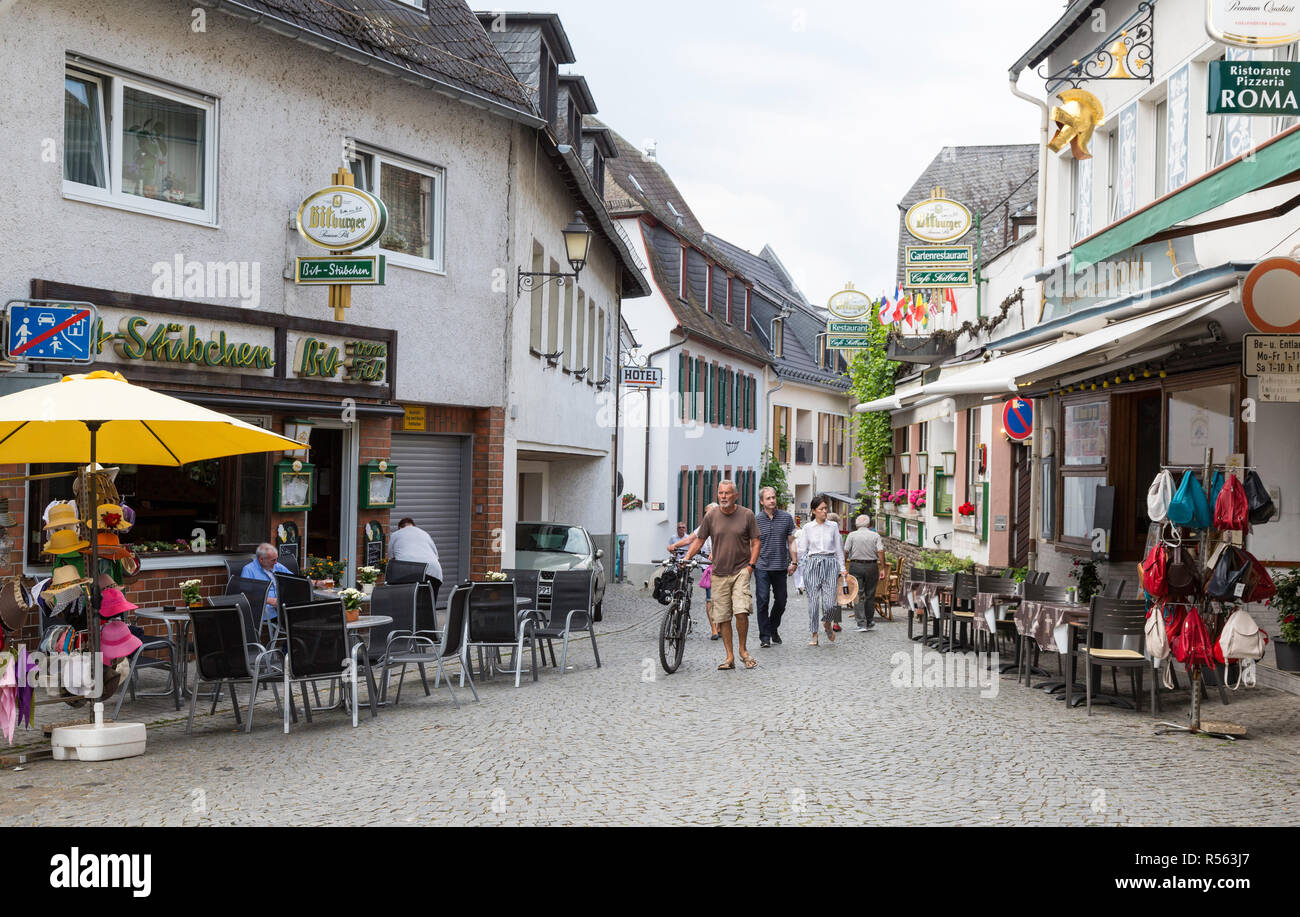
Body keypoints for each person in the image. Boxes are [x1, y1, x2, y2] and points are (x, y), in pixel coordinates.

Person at [683, 482, 759, 670]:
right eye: (720, 493)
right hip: (718, 573)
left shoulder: (747, 515)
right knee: (723, 616)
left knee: (741, 611)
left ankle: (743, 651)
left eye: (727, 493)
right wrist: (686, 557)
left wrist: (751, 566)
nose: (723, 496)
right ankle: (729, 656)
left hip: (741, 569)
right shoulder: (711, 516)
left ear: (736, 495)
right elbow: (699, 540)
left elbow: (756, 542)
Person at [794, 495, 847, 646]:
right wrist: (796, 562)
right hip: (813, 563)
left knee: (831, 603)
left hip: (830, 563)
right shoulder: (808, 527)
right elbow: (802, 549)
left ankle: (827, 623)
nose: (825, 511)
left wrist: (842, 568)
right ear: (813, 511)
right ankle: (814, 635)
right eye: (821, 509)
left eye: (826, 508)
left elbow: (838, 549)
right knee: (813, 603)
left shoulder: (833, 526)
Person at [753, 486, 797, 648]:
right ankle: (765, 637)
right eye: (768, 498)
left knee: (781, 601)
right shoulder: (755, 520)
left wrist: (794, 562)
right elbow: (752, 544)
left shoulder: (786, 518)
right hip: (762, 566)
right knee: (762, 600)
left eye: (773, 497)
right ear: (762, 501)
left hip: (780, 566)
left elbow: (791, 541)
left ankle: (773, 627)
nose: (772, 500)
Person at [668, 505, 718, 639]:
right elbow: (690, 539)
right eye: (706, 513)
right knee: (709, 598)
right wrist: (675, 546)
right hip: (707, 567)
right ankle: (714, 629)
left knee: (721, 599)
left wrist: (716, 552)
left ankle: (720, 624)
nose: (708, 515)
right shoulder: (703, 527)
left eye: (711, 512)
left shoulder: (724, 525)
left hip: (723, 566)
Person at [843, 515, 886, 632]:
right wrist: (882, 568)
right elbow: (880, 551)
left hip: (855, 565)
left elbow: (846, 551)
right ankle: (869, 621)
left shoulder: (852, 535)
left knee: (857, 594)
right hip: (872, 566)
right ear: (868, 525)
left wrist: (843, 566)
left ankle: (861, 623)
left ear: (857, 525)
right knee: (870, 594)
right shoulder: (875, 535)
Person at [388, 517, 444, 605]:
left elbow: (392, 558)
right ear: (414, 526)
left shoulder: (396, 534)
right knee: (430, 605)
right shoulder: (424, 534)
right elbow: (436, 556)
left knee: (407, 604)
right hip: (434, 573)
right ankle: (429, 617)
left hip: (407, 571)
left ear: (399, 527)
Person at [239, 542, 292, 628]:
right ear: (261, 559)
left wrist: (316, 582)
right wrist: (269, 600)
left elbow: (296, 580)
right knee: (297, 622)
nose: (276, 562)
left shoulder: (277, 566)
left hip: (283, 607)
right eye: (273, 560)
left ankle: (292, 640)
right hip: (267, 611)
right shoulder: (249, 570)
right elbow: (245, 595)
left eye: (276, 559)